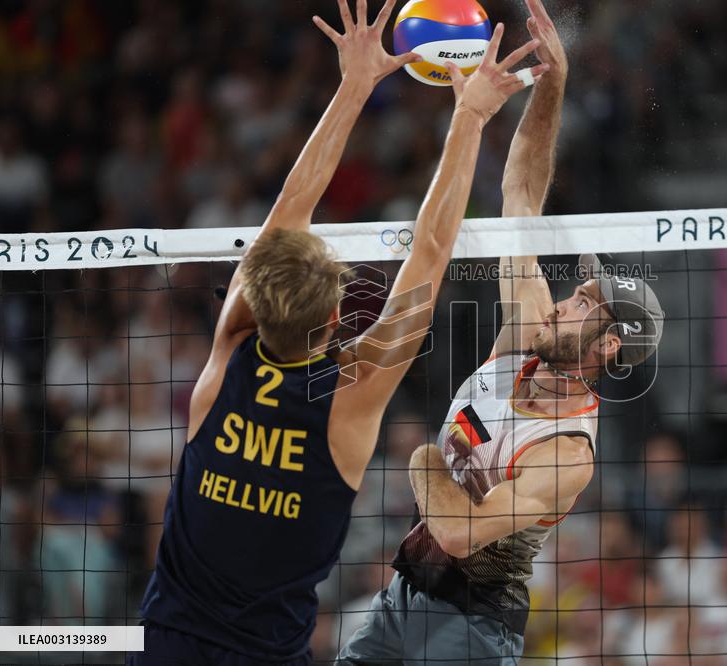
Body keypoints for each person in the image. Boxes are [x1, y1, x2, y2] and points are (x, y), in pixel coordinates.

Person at [129, 1, 545, 663]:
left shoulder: (228, 351)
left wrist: (352, 87)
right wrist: (467, 117)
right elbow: (431, 251)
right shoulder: (352, 392)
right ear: (334, 319)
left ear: (254, 301)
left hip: (161, 647)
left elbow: (289, 207)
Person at [338, 1, 665, 662]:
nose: (568, 299)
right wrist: (553, 87)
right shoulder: (525, 334)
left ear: (607, 346)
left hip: (471, 628)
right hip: (402, 597)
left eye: (586, 304)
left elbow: (459, 532)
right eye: (576, 290)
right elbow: (521, 192)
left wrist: (423, 460)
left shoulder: (566, 453)